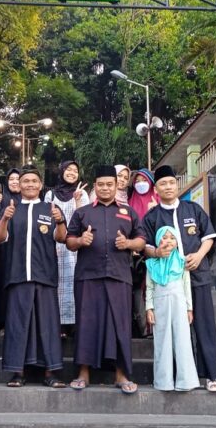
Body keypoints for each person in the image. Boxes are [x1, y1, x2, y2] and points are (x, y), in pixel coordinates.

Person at [141, 165, 216, 393]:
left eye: (171, 182)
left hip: (197, 275)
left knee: (204, 325)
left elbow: (208, 236)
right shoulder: (152, 217)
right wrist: (157, 252)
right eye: (162, 184)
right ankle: (177, 377)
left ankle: (212, 376)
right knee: (173, 329)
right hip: (169, 283)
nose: (168, 187)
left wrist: (198, 255)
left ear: (176, 184)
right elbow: (145, 246)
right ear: (156, 189)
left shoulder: (193, 210)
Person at [66, 165, 146, 395]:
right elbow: (69, 241)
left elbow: (141, 239)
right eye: (100, 184)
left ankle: (121, 375)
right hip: (87, 276)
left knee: (120, 325)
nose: (104, 188)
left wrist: (128, 244)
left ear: (116, 185)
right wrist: (81, 240)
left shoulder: (128, 211)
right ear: (95, 186)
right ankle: (83, 373)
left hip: (119, 276)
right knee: (86, 324)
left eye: (109, 184)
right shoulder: (82, 212)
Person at [0, 166, 68, 388]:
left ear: (40, 184)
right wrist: (5, 219)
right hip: (17, 275)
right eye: (26, 181)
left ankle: (50, 372)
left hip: (45, 275)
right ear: (20, 184)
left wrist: (61, 220)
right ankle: (18, 372)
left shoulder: (50, 208)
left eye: (34, 181)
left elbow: (62, 238)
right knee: (18, 325)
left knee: (48, 325)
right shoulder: (10, 208)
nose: (30, 185)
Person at [145, 226, 199, 392]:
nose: (168, 241)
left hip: (179, 303)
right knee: (162, 342)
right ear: (158, 241)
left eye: (172, 237)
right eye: (164, 237)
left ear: (177, 242)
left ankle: (186, 381)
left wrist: (189, 309)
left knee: (182, 340)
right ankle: (163, 381)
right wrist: (149, 308)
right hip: (160, 304)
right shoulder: (152, 264)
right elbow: (149, 288)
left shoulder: (182, 262)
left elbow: (186, 286)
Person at [44, 160, 89, 337]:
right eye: (68, 169)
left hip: (76, 243)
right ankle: (59, 325)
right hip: (56, 245)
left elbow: (86, 220)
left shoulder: (82, 193)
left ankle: (76, 324)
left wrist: (78, 200)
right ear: (61, 172)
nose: (71, 173)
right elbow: (45, 222)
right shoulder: (50, 195)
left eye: (75, 170)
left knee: (75, 283)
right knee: (58, 285)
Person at [0, 168, 22, 335]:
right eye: (11, 179)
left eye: (18, 178)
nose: (15, 181)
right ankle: (0, 323)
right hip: (4, 251)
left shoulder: (30, 200)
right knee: (2, 286)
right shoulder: (1, 199)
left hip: (23, 253)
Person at [127, 167, 157, 339]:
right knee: (139, 291)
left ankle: (157, 327)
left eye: (144, 180)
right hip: (136, 257)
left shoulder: (158, 200)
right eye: (137, 181)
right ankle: (144, 328)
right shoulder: (131, 202)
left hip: (157, 254)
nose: (140, 184)